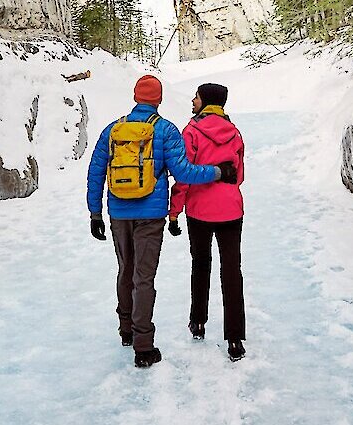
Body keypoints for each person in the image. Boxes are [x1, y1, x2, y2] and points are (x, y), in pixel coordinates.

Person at [86, 75, 238, 368]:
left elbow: (95, 172)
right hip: (151, 214)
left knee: (125, 271)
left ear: (135, 97)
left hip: (118, 211)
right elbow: (183, 173)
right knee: (144, 277)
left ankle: (126, 330)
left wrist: (95, 212)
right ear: (158, 99)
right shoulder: (166, 130)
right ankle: (144, 346)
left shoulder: (113, 129)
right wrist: (218, 173)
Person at [168, 83, 247, 362]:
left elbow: (184, 175)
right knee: (232, 271)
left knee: (201, 265)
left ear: (205, 102)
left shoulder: (191, 131)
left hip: (199, 211)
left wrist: (174, 211)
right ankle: (235, 338)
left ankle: (198, 321)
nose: (192, 100)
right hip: (231, 210)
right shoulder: (235, 132)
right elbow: (239, 177)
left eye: (196, 97)